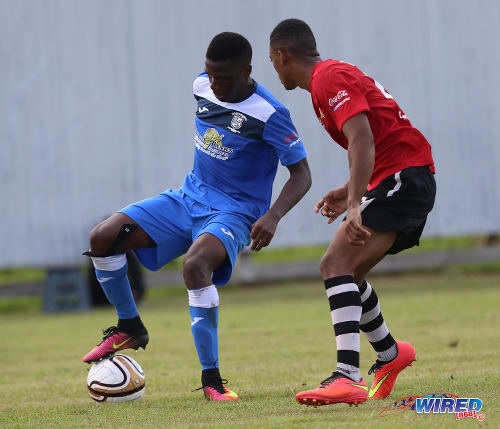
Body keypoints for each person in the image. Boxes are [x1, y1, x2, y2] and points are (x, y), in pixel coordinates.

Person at [82, 32, 311, 402]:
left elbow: (302, 174)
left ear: (247, 71)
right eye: (211, 76)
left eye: (225, 79)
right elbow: (209, 88)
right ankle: (130, 326)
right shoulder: (201, 86)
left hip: (234, 211)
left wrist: (273, 216)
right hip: (188, 197)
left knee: (195, 265)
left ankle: (212, 380)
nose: (216, 85)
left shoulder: (271, 114)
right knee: (102, 237)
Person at [269, 19, 436, 406]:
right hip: (401, 178)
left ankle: (347, 376)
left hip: (403, 178)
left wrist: (357, 200)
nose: (274, 70)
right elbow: (376, 136)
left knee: (334, 263)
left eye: (272, 62)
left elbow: (361, 138)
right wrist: (349, 191)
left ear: (282, 56)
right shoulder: (329, 78)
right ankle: (391, 354)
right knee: (349, 274)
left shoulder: (328, 78)